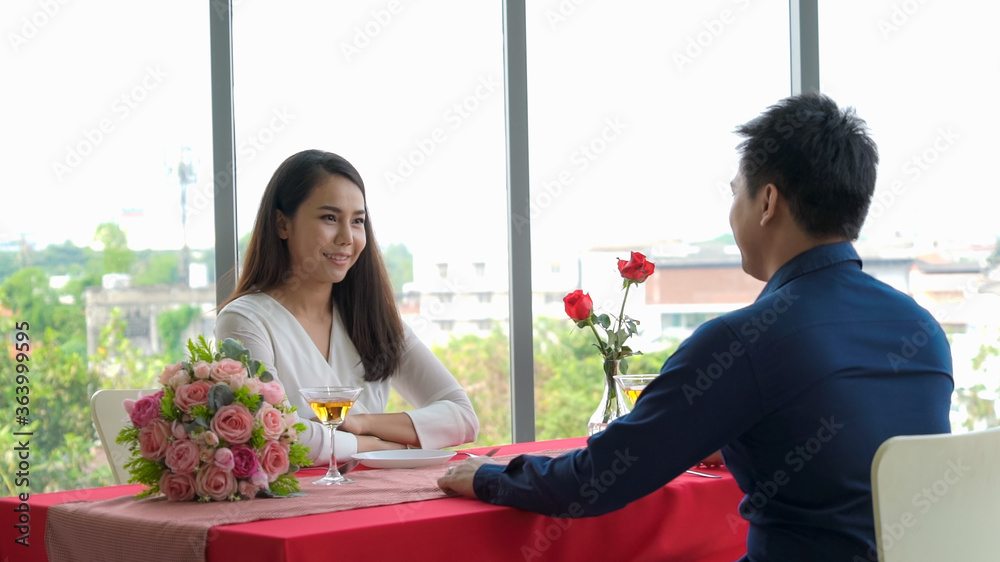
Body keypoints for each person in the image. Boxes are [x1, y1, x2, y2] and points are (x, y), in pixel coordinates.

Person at [438, 93, 954, 561]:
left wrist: (488, 476)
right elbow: (848, 452)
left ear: (768, 202)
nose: (733, 213)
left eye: (736, 193)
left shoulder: (745, 341)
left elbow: (595, 481)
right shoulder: (922, 330)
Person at [216, 149, 479, 465]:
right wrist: (375, 446)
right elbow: (276, 435)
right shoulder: (246, 320)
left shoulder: (374, 319)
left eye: (357, 221)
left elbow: (462, 417)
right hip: (298, 506)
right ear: (282, 224)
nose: (346, 237)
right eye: (329, 218)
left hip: (379, 500)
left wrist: (362, 424)